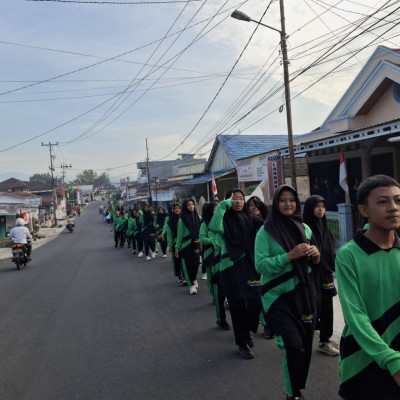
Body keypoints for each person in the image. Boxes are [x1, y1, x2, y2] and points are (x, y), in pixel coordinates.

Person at [335, 175, 400, 400]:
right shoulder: (349, 255)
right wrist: (391, 359)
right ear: (364, 211)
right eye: (383, 202)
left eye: (398, 201)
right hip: (363, 357)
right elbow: (355, 316)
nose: (393, 208)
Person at [255, 184, 320, 400]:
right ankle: (293, 394)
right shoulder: (265, 231)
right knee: (292, 346)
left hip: (303, 295)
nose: (288, 204)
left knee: (304, 346)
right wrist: (288, 256)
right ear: (276, 203)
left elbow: (312, 266)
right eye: (283, 200)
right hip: (276, 298)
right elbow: (261, 266)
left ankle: (297, 385)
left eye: (292, 200)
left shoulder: (305, 229)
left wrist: (315, 256)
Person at [209, 189, 266, 359]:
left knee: (256, 301)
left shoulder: (250, 218)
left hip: (250, 265)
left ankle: (247, 331)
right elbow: (213, 227)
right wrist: (224, 205)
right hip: (231, 267)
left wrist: (261, 205)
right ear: (228, 202)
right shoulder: (224, 219)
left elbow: (268, 222)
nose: (239, 202)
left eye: (241, 199)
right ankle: (242, 343)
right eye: (234, 199)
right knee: (238, 306)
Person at [303, 195, 339, 356]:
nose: (321, 209)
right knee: (311, 308)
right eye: (317, 206)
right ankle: (301, 341)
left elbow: (330, 251)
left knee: (327, 308)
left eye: (323, 206)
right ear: (310, 209)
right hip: (310, 276)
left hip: (326, 275)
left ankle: (325, 341)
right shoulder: (304, 229)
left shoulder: (325, 228)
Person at [246, 196, 273, 340]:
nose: (254, 207)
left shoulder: (267, 223)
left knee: (266, 297)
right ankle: (253, 327)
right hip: (251, 264)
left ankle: (268, 326)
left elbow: (271, 221)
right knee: (256, 298)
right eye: (251, 205)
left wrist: (262, 206)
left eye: (257, 205)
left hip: (267, 264)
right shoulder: (246, 221)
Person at [175, 199, 202, 294]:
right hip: (185, 246)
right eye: (189, 205)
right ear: (185, 207)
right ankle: (191, 286)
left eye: (192, 204)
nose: (191, 206)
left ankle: (194, 279)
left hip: (195, 245)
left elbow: (201, 232)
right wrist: (177, 248)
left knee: (195, 264)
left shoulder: (198, 217)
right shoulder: (181, 220)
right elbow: (179, 235)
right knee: (187, 266)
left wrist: (201, 242)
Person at [163, 204, 183, 283]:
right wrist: (170, 245)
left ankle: (186, 276)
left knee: (185, 260)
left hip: (184, 242)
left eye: (179, 208)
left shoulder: (184, 218)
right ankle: (179, 276)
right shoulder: (170, 221)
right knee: (177, 260)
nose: (177, 210)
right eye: (175, 208)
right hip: (175, 242)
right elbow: (169, 235)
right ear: (173, 210)